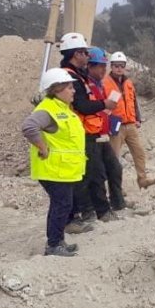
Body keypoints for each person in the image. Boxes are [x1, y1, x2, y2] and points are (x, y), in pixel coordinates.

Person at [59, 32, 125, 222]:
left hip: (96, 131)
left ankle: (109, 207)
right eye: (84, 53)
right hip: (84, 133)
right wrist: (105, 105)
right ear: (76, 54)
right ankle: (98, 212)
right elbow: (82, 106)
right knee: (93, 175)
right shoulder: (70, 78)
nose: (87, 57)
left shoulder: (81, 77)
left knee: (110, 169)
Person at [21, 68, 86, 257]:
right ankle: (53, 245)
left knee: (62, 204)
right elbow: (28, 127)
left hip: (62, 169)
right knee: (62, 204)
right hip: (53, 169)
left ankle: (58, 241)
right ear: (57, 89)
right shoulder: (48, 110)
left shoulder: (61, 109)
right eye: (69, 87)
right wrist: (42, 147)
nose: (73, 91)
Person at [104, 51, 155, 189]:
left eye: (121, 65)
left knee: (139, 152)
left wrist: (138, 118)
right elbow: (101, 103)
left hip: (130, 124)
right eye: (116, 65)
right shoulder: (105, 83)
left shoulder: (128, 82)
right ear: (111, 66)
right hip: (116, 125)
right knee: (113, 158)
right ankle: (115, 189)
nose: (119, 68)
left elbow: (133, 101)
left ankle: (142, 179)